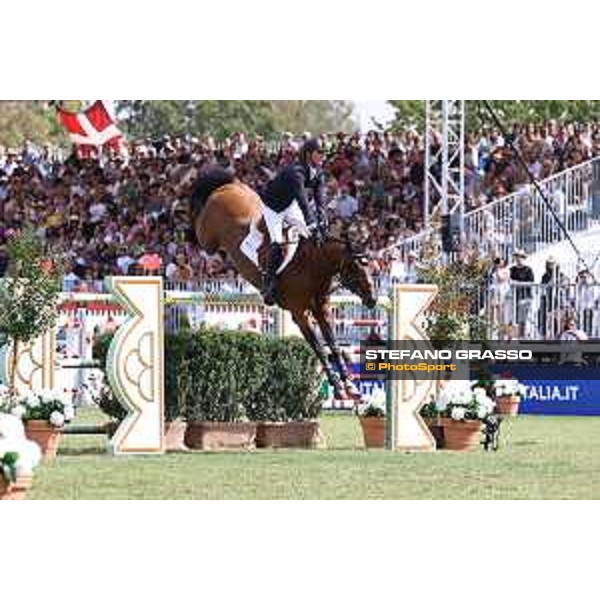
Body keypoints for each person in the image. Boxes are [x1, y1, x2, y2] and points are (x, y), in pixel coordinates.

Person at [259, 138, 327, 305]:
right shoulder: (296, 172)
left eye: (324, 153)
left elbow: (320, 198)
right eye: (320, 153)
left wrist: (323, 218)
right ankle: (269, 283)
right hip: (273, 208)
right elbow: (303, 201)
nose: (323, 157)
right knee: (277, 242)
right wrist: (312, 222)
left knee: (310, 235)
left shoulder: (317, 172)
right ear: (309, 154)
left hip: (289, 205)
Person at [509, 249, 534, 339]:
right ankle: (513, 336)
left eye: (521, 256)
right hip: (514, 297)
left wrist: (518, 283)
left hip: (525, 296)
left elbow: (531, 282)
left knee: (522, 317)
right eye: (517, 256)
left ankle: (521, 336)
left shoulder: (528, 270)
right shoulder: (512, 269)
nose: (519, 259)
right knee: (514, 317)